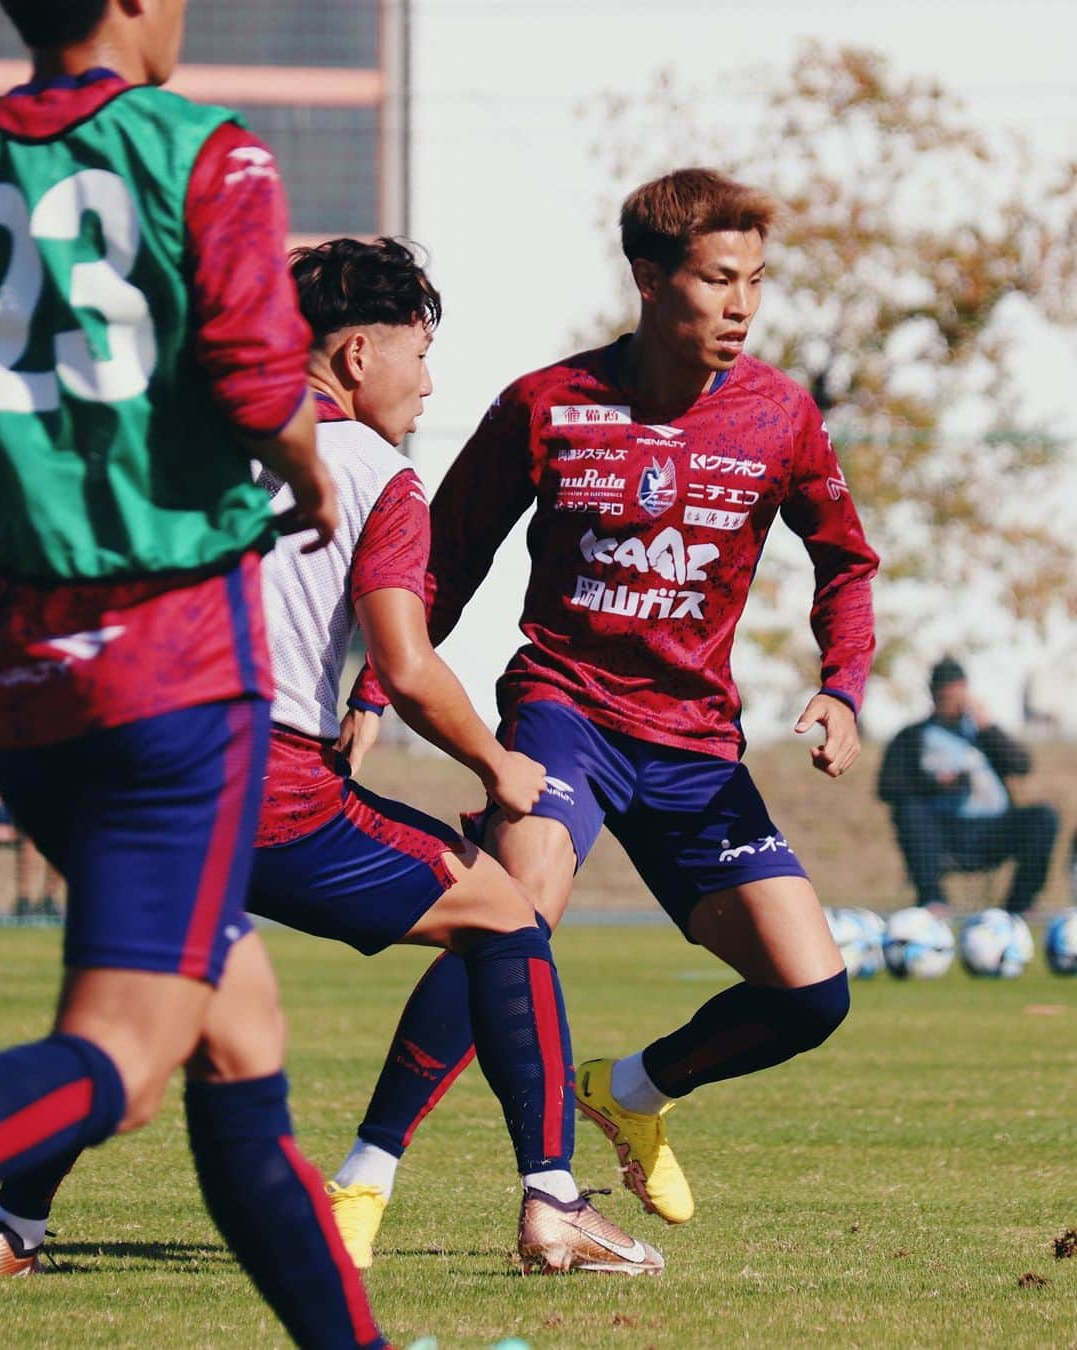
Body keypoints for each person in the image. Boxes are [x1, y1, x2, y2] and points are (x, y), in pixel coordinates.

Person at [0, 236, 663, 1278]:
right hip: (262, 784)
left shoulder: (194, 436)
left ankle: (12, 1228)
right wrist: (499, 767)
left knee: (142, 1018)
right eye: (421, 351)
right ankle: (554, 1202)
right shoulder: (372, 471)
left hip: (113, 769)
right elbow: (407, 662)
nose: (430, 380)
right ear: (357, 356)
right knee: (504, 915)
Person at [335, 166, 880, 1256]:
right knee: (509, 910)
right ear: (648, 277)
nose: (740, 305)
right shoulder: (548, 404)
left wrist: (842, 685)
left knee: (812, 997)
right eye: (718, 279)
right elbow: (441, 565)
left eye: (756, 283)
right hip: (566, 708)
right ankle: (363, 1179)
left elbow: (847, 564)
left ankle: (633, 1089)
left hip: (695, 747)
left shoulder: (780, 414)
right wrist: (368, 691)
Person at [0, 4, 390, 1345]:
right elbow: (252, 372)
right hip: (170, 665)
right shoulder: (202, 152)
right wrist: (308, 466)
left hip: (23, 674)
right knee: (128, 1051)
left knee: (237, 1041)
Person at [877, 657, 1059, 915]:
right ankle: (933, 900)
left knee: (1043, 817)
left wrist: (987, 728)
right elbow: (887, 787)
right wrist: (936, 784)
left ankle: (1020, 905)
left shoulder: (982, 733)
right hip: (942, 832)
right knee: (908, 811)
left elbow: (1021, 765)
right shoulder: (912, 736)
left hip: (993, 830)